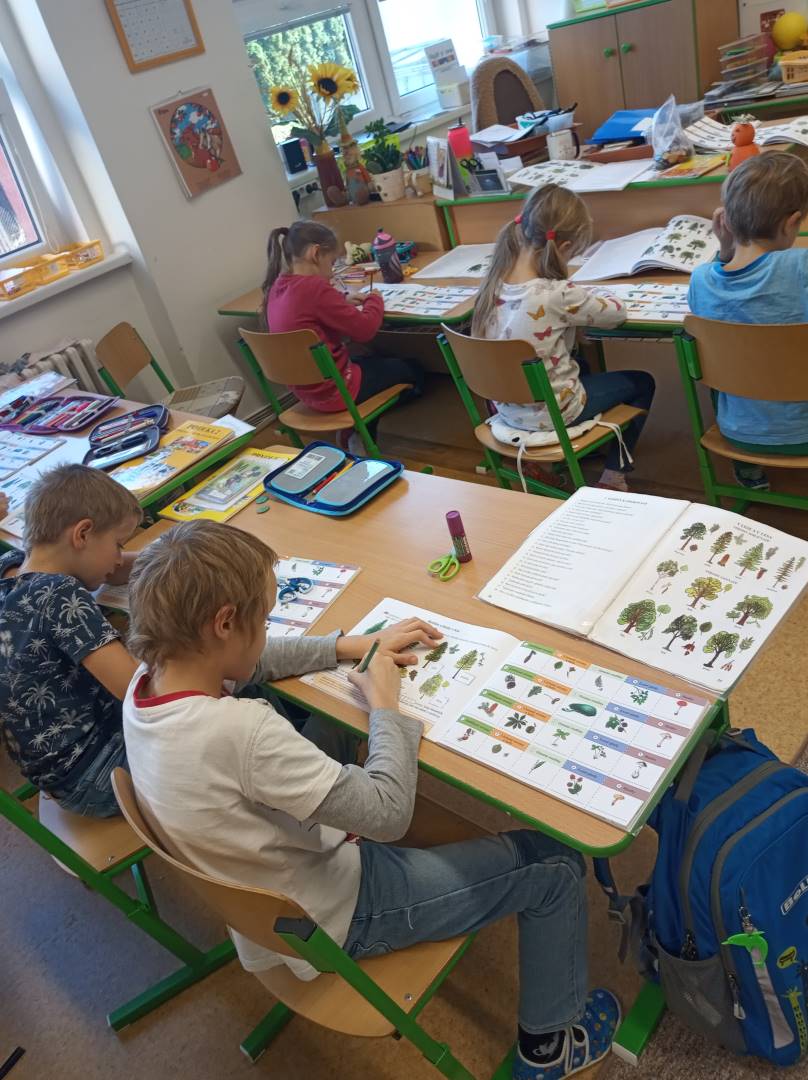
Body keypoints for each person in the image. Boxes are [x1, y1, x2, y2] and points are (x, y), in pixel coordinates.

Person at [123, 520, 620, 1080]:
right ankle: (549, 1046)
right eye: (262, 622)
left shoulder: (151, 680)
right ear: (223, 624)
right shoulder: (241, 733)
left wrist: (351, 646)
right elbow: (388, 814)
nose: (266, 633)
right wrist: (385, 703)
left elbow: (250, 664)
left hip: (268, 903)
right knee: (553, 864)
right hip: (338, 912)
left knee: (331, 727)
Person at [472, 184, 656, 491]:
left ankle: (543, 464)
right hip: (554, 413)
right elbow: (615, 313)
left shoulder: (492, 283)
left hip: (507, 409)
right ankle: (613, 476)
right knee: (643, 382)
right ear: (565, 246)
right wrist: (592, 293)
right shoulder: (556, 294)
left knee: (580, 363)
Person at [0, 465, 141, 817]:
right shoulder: (59, 592)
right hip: (104, 772)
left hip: (61, 778)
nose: (118, 557)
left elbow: (114, 569)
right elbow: (138, 691)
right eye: (118, 544)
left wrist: (171, 557)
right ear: (83, 533)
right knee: (217, 680)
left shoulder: (11, 569)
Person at [688, 151, 808, 492]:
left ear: (725, 222)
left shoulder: (701, 280)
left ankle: (749, 471)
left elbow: (721, 282)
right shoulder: (801, 266)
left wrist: (725, 250)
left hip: (737, 432)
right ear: (790, 223)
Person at [263, 220, 424, 450]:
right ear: (315, 253)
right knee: (414, 371)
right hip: (338, 391)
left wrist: (340, 300)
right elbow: (365, 329)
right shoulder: (315, 288)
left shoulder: (278, 285)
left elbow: (309, 308)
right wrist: (375, 300)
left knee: (370, 358)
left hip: (306, 391)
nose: (332, 271)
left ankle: (355, 430)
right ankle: (358, 430)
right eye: (331, 262)